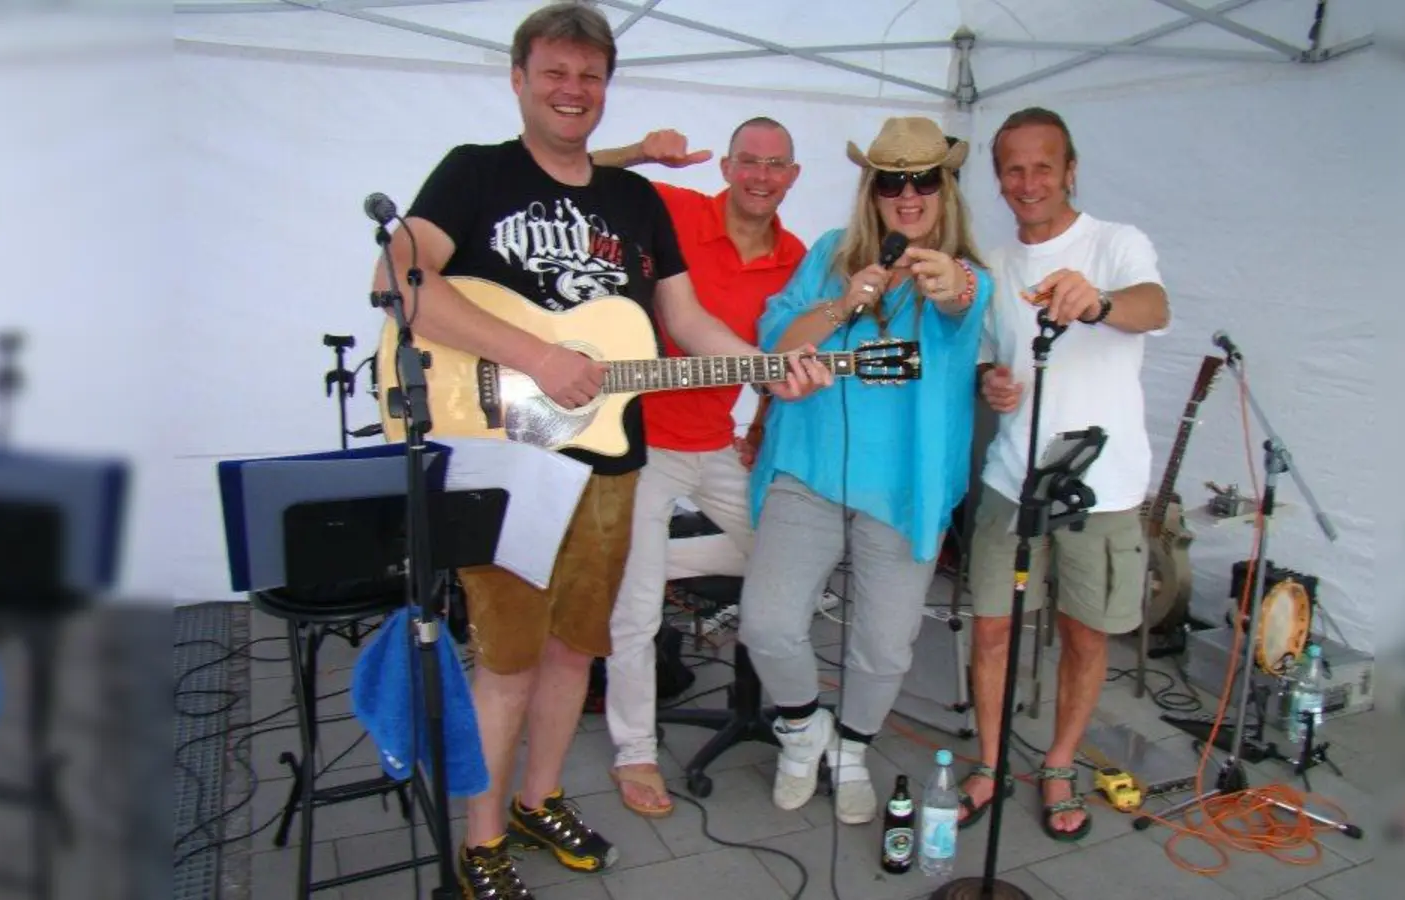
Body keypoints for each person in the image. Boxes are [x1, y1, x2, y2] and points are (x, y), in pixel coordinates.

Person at [368, 5, 830, 897]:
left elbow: (686, 320)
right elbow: (396, 281)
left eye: (590, 76)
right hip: (506, 459)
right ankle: (482, 840)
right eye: (555, 73)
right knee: (506, 660)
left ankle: (540, 799)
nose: (573, 91)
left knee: (575, 649)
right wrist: (539, 355)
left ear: (606, 87)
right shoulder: (475, 174)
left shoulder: (633, 200)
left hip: (611, 459)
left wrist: (772, 368)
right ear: (519, 78)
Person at [736, 116, 993, 825]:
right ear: (870, 190)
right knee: (767, 622)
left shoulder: (968, 271)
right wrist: (841, 302)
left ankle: (852, 747)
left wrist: (949, 277)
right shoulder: (827, 253)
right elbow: (775, 345)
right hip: (810, 469)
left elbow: (962, 298)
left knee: (883, 645)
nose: (907, 196)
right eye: (891, 181)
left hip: (904, 488)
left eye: (923, 181)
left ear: (944, 188)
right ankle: (800, 729)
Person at [961, 106, 1170, 842]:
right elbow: (991, 355)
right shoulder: (992, 264)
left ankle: (1057, 763)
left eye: (1043, 166)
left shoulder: (1115, 243)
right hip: (1010, 479)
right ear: (998, 179)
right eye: (1012, 168)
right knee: (990, 631)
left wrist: (1101, 301)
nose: (1028, 182)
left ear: (1070, 169)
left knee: (1085, 637)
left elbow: (1155, 307)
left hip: (1102, 489)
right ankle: (988, 762)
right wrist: (993, 381)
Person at [587, 120, 806, 818]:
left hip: (718, 444)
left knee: (788, 553)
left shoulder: (798, 257)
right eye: (749, 162)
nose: (761, 177)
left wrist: (763, 428)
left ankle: (638, 559)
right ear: (730, 165)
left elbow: (785, 356)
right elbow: (561, 174)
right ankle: (634, 753)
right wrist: (637, 152)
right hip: (643, 442)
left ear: (792, 175)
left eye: (775, 166)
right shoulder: (673, 206)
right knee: (635, 614)